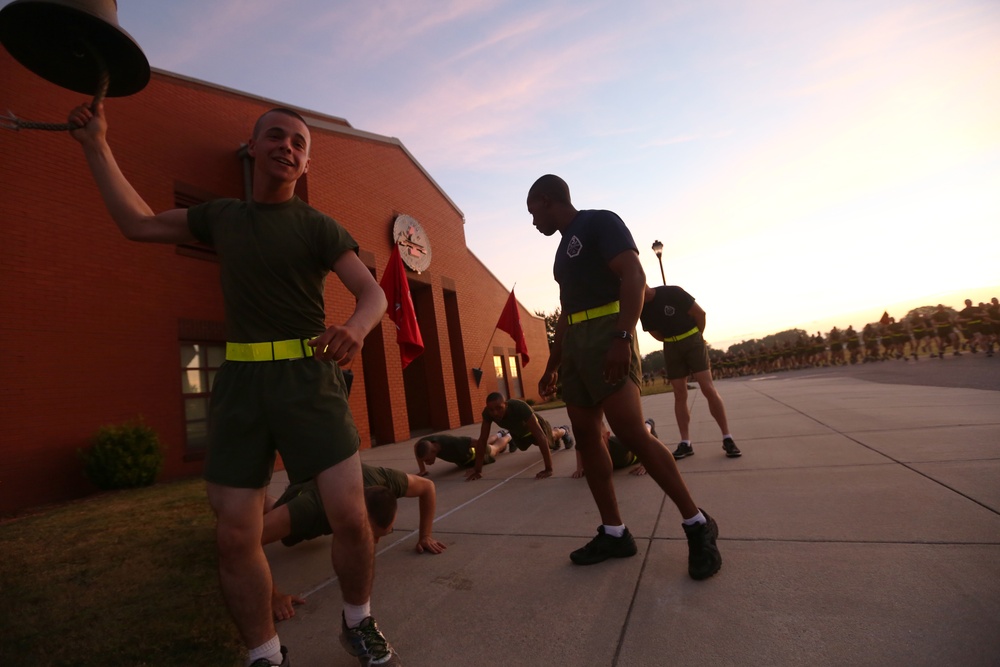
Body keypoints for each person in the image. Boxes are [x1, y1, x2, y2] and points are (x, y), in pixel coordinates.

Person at [68, 103, 397, 667]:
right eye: (276, 136)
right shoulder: (222, 216)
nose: (287, 147)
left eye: (298, 143)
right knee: (234, 536)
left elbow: (373, 294)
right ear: (253, 148)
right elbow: (138, 223)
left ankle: (358, 621)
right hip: (242, 382)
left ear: (305, 161)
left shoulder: (317, 226)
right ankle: (264, 654)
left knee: (349, 513)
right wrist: (96, 145)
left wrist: (356, 328)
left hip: (308, 378)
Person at [528, 174, 722, 580]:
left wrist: (621, 336)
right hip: (578, 346)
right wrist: (552, 364)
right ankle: (614, 532)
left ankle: (697, 524)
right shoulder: (562, 251)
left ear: (547, 200)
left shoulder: (600, 222)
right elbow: (566, 312)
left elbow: (635, 275)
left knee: (632, 433)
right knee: (587, 438)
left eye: (534, 212)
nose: (533, 223)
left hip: (607, 337)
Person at [263, 463, 446, 621]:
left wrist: (425, 536)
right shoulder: (312, 508)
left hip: (332, 486)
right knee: (277, 521)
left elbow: (427, 487)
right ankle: (258, 500)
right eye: (370, 534)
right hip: (302, 495)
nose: (374, 542)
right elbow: (251, 541)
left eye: (385, 533)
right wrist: (273, 596)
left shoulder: (385, 480)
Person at [639, 285, 741, 460]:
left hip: (692, 339)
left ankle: (727, 437)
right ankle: (685, 442)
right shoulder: (642, 308)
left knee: (707, 388)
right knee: (679, 394)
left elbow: (700, 314)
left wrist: (696, 337)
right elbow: (655, 333)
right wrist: (674, 341)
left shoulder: (672, 292)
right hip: (671, 346)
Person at [466, 393, 573, 481]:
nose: (495, 413)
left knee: (551, 438)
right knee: (523, 447)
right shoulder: (488, 414)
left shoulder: (519, 407)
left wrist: (548, 469)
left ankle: (563, 430)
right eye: (491, 410)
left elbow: (540, 436)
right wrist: (478, 470)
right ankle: (510, 439)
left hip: (535, 427)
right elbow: (482, 441)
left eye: (499, 408)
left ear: (506, 405)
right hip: (518, 431)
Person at [573, 419, 657, 478]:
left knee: (642, 433)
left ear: (607, 435)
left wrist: (646, 463)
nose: (595, 444)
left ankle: (648, 423)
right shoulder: (590, 448)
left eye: (600, 438)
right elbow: (579, 446)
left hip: (645, 445)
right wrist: (579, 467)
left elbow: (641, 441)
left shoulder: (618, 445)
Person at [414, 431, 512, 475]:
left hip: (472, 452)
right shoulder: (424, 443)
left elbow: (474, 442)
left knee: (495, 449)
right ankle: (499, 434)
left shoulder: (453, 443)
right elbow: (416, 447)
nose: (427, 463)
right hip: (463, 459)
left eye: (427, 460)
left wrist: (477, 468)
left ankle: (509, 435)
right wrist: (422, 469)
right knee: (485, 442)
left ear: (433, 450)